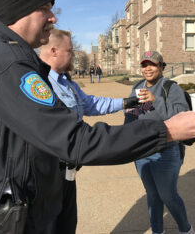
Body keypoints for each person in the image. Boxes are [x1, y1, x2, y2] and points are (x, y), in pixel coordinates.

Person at [0, 0, 195, 233]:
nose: (53, 17)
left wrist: (130, 105)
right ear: (20, 10)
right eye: (44, 9)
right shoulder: (6, 65)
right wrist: (168, 130)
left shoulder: (9, 58)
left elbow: (84, 110)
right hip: (1, 218)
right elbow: (74, 140)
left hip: (27, 203)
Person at [39, 29, 140, 233]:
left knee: (67, 223)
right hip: (47, 172)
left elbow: (89, 104)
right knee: (49, 226)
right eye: (70, 51)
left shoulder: (67, 82)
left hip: (70, 167)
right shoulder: (40, 83)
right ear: (54, 51)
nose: (74, 55)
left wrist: (126, 102)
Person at [125, 51, 195, 234]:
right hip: (142, 152)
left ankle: (186, 230)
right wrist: (127, 138)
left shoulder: (171, 88)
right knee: (153, 195)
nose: (148, 68)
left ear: (162, 67)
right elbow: (131, 117)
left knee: (168, 195)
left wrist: (155, 102)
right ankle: (158, 231)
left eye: (153, 64)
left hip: (165, 151)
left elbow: (182, 118)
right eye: (144, 64)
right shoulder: (137, 87)